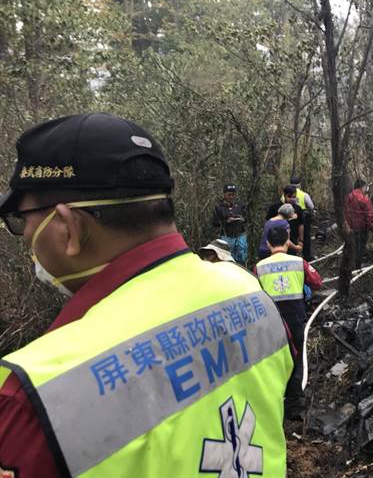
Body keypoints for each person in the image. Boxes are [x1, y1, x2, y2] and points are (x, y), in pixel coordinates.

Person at [0, 113, 293, 477]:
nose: (25, 236)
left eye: (19, 220)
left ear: (68, 228)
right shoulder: (248, 291)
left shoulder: (37, 393)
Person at [254, 225, 322, 419]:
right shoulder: (299, 262)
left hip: (271, 322)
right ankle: (293, 404)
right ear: (287, 241)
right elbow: (317, 282)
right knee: (296, 359)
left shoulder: (259, 268)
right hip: (295, 318)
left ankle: (275, 400)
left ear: (267, 243)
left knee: (274, 361)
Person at [211, 184, 247, 265]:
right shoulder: (219, 207)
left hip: (240, 235)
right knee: (227, 258)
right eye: (229, 195)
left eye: (233, 194)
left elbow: (247, 218)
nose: (231, 197)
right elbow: (214, 223)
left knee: (242, 258)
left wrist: (242, 219)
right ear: (224, 194)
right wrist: (226, 221)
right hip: (226, 236)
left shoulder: (240, 205)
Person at [344, 179, 373, 269]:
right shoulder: (364, 199)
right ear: (362, 187)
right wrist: (371, 226)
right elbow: (369, 215)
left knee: (351, 246)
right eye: (366, 187)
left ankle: (348, 264)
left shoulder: (348, 197)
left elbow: (344, 212)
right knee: (360, 247)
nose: (366, 189)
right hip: (361, 227)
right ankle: (357, 265)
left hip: (349, 227)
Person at [267, 185, 303, 255]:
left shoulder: (298, 208)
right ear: (284, 195)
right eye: (289, 197)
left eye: (294, 197)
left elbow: (301, 224)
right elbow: (268, 223)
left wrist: (301, 240)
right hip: (277, 244)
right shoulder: (275, 207)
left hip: (293, 240)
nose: (292, 199)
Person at [288, 177, 315, 261]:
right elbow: (311, 206)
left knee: (291, 237)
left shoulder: (285, 194)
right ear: (299, 185)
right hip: (303, 218)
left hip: (289, 218)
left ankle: (292, 257)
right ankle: (306, 256)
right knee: (306, 237)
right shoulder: (304, 194)